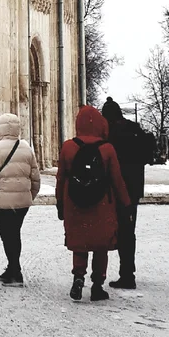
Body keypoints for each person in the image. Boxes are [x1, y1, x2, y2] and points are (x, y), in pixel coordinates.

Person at [56, 106, 131, 302]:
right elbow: (117, 180)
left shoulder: (68, 147)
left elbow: (61, 178)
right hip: (102, 204)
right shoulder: (107, 149)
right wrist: (125, 204)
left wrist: (60, 203)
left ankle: (78, 276)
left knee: (80, 242)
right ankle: (98, 285)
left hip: (75, 202)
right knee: (101, 244)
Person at [0, 112, 40, 286]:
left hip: (1, 203)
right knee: (14, 234)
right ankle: (13, 269)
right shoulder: (26, 148)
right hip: (22, 203)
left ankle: (15, 271)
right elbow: (35, 178)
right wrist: (28, 196)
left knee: (8, 236)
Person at [101, 97, 156, 290]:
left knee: (114, 231)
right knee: (128, 231)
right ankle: (127, 271)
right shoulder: (135, 130)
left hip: (116, 189)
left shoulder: (111, 134)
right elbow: (146, 157)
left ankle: (122, 275)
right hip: (134, 189)